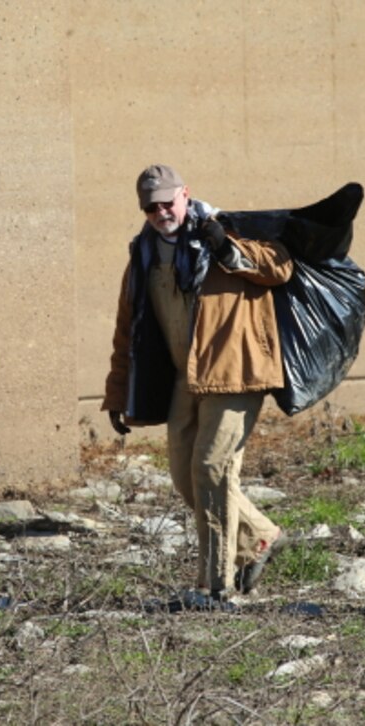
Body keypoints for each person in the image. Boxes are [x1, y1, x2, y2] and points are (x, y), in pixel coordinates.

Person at [103, 164, 290, 606]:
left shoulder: (225, 230)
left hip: (236, 370)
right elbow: (127, 327)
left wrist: (228, 250)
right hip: (183, 376)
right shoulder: (144, 252)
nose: (161, 211)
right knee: (187, 477)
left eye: (168, 201)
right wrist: (117, 391)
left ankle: (215, 587)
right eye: (150, 207)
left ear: (186, 194)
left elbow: (280, 267)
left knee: (212, 469)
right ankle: (260, 537)